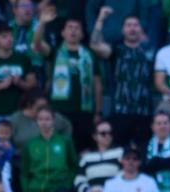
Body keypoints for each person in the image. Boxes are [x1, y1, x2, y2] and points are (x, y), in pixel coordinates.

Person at [90, 10, 153, 149]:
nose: (132, 28)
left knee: (142, 152)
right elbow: (94, 44)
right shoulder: (115, 49)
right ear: (123, 30)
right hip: (120, 111)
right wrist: (100, 19)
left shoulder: (149, 51)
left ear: (141, 29)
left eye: (135, 25)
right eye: (128, 25)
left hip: (144, 112)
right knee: (119, 151)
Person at [48, 18, 103, 153]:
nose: (73, 31)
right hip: (59, 109)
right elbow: (37, 45)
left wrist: (98, 112)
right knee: (60, 147)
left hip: (84, 110)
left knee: (83, 148)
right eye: (70, 27)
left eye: (77, 28)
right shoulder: (55, 52)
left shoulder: (89, 55)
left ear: (82, 34)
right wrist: (42, 23)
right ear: (63, 33)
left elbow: (97, 84)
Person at [10, 89, 73, 154]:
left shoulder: (53, 116)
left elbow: (66, 126)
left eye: (45, 106)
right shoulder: (15, 120)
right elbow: (6, 139)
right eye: (39, 107)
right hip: (22, 156)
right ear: (29, 105)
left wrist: (63, 144)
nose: (42, 110)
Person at [10, 0, 44, 83]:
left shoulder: (40, 27)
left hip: (35, 71)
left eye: (30, 6)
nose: (28, 9)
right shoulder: (7, 28)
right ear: (15, 11)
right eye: (23, 6)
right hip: (12, 71)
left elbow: (48, 55)